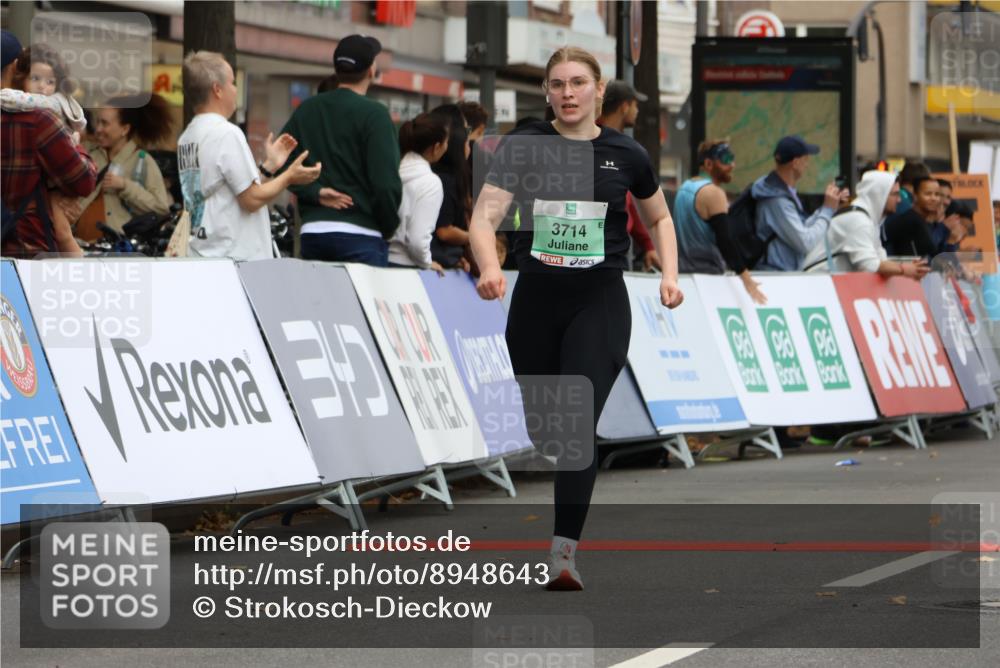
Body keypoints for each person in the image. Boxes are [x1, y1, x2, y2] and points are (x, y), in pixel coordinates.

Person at [469, 46, 683, 591]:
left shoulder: (626, 153)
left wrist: (670, 275)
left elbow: (659, 218)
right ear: (547, 92)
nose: (568, 93)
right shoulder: (523, 147)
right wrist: (490, 266)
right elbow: (484, 217)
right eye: (558, 84)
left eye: (578, 83)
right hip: (536, 302)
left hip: (599, 301)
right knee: (547, 430)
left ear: (599, 90)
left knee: (575, 427)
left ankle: (563, 554)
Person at [178, 50, 320, 260]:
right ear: (217, 89)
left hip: (204, 252)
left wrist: (269, 167)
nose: (236, 89)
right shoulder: (226, 133)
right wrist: (289, 176)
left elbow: (233, 189)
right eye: (232, 82)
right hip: (234, 258)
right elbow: (251, 200)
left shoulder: (187, 136)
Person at [280, 34, 400, 266]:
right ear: (371, 70)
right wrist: (388, 227)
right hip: (362, 232)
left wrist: (314, 192)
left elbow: (279, 160)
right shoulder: (376, 115)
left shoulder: (308, 109)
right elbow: (386, 184)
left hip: (314, 231)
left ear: (336, 69)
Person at [1, 31, 96, 258]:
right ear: (16, 67)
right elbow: (84, 180)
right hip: (28, 250)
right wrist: (75, 142)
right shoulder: (38, 119)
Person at [674, 138, 765, 303]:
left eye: (732, 158)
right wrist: (746, 278)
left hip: (684, 278)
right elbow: (726, 241)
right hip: (709, 280)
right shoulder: (714, 193)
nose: (732, 165)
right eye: (726, 159)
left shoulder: (684, 188)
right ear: (708, 164)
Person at [74, 94, 172, 235]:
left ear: (125, 129)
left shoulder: (142, 161)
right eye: (98, 122)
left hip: (119, 245)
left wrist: (125, 186)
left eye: (105, 123)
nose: (98, 129)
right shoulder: (88, 152)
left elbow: (161, 208)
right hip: (78, 243)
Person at [803, 170, 930, 279]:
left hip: (826, 284)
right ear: (879, 194)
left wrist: (906, 268)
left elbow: (880, 259)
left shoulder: (868, 219)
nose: (899, 200)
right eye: (895, 194)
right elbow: (869, 265)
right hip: (816, 285)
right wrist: (903, 269)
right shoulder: (858, 220)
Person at [752, 135, 847, 271]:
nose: (807, 165)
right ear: (796, 163)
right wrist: (827, 210)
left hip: (781, 274)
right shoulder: (777, 200)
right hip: (775, 275)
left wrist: (829, 206)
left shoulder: (780, 192)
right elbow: (805, 242)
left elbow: (801, 229)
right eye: (805, 160)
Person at [596, 80, 660, 272]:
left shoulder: (628, 150)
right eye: (635, 105)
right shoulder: (592, 142)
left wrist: (648, 245)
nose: (637, 111)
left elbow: (631, 201)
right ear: (625, 106)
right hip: (594, 253)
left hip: (616, 254)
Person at [388, 113, 449, 270]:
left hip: (381, 257)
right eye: (446, 142)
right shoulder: (430, 182)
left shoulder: (393, 172)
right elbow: (417, 240)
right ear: (436, 147)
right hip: (405, 265)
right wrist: (427, 262)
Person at [2, 43, 86, 144]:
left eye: (50, 82)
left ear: (57, 86)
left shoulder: (54, 103)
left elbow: (13, 99)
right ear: (22, 79)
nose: (42, 86)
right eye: (35, 78)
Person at [429, 104, 472, 270]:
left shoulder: (444, 176)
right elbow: (444, 231)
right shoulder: (444, 181)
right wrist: (476, 238)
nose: (469, 140)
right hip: (435, 267)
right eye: (466, 132)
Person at [882, 175, 940, 258]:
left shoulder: (922, 219)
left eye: (937, 194)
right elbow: (933, 252)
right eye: (928, 194)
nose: (933, 198)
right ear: (915, 195)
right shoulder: (911, 221)